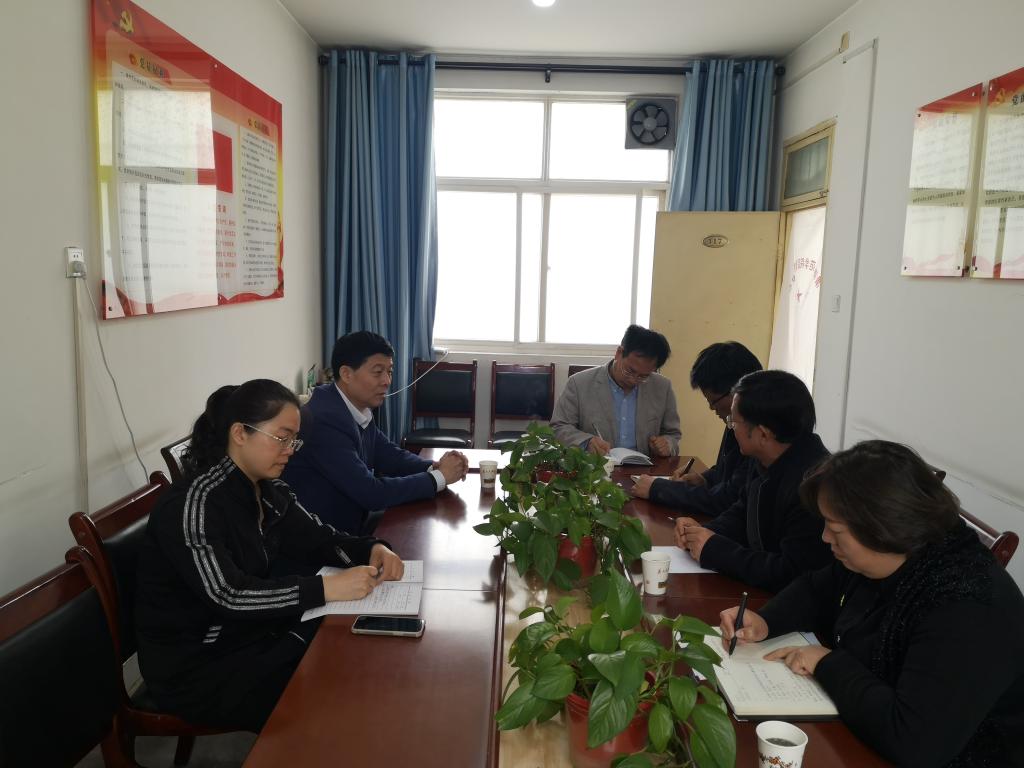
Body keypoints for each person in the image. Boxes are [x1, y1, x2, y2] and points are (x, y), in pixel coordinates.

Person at [719, 441, 1024, 767]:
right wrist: (766, 621)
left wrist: (826, 663)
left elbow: (915, 742)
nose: (825, 538)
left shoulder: (967, 606)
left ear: (883, 527)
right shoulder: (892, 553)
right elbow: (817, 588)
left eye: (835, 529)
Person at [135, 380, 404, 731]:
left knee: (345, 662)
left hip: (245, 636)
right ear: (240, 434)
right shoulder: (194, 504)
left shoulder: (266, 489)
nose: (290, 450)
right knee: (331, 701)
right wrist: (326, 588)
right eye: (282, 438)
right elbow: (228, 594)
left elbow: (319, 539)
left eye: (294, 440)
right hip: (197, 667)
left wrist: (372, 548)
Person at [282, 331, 468, 535]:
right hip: (326, 538)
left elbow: (387, 454)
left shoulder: (353, 405)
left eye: (389, 371)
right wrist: (439, 478)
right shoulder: (324, 420)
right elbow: (370, 493)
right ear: (346, 374)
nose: (387, 381)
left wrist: (434, 467)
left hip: (352, 523)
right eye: (378, 372)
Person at [674, 370, 831, 592]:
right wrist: (700, 532)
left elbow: (791, 572)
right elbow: (742, 512)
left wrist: (715, 550)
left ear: (763, 434)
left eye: (734, 422)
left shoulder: (815, 486)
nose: (731, 428)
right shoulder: (766, 458)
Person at [631, 341, 762, 515]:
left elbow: (728, 499)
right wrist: (705, 479)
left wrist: (658, 489)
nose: (712, 408)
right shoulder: (735, 421)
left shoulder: (759, 433)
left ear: (737, 392)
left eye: (713, 401)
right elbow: (729, 471)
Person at [550, 324, 681, 458]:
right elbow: (558, 427)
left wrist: (668, 444)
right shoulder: (579, 383)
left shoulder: (662, 387)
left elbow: (673, 434)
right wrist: (586, 442)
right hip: (596, 465)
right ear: (619, 353)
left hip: (645, 467)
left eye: (643, 376)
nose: (633, 380)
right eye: (629, 371)